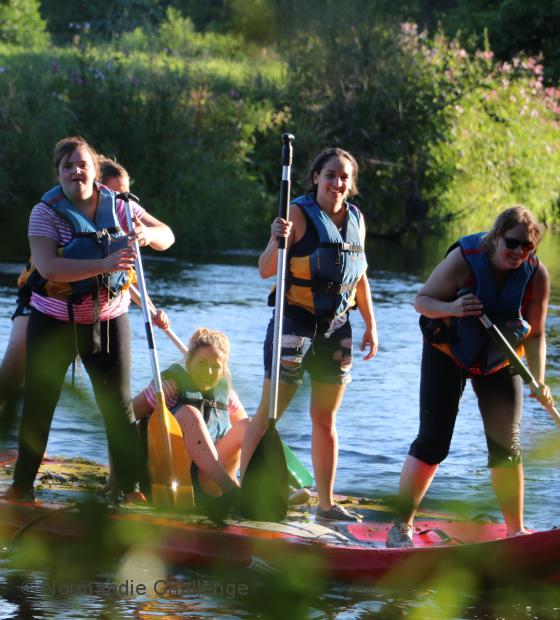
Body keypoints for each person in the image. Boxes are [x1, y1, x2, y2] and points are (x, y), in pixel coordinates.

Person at [3, 136, 174, 502]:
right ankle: (21, 490)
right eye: (67, 166)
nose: (75, 171)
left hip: (109, 320)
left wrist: (147, 234)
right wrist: (105, 263)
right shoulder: (44, 213)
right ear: (58, 173)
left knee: (119, 407)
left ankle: (129, 491)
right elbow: (48, 266)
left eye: (82, 164)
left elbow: (168, 236)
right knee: (39, 404)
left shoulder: (121, 206)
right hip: (53, 321)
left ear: (96, 171)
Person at [386, 206, 554, 548]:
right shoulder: (465, 259)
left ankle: (516, 532)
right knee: (434, 441)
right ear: (496, 237)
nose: (519, 252)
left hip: (499, 359)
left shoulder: (536, 275)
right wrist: (452, 309)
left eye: (528, 248)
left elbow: (535, 335)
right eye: (513, 243)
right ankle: (400, 527)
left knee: (507, 446)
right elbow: (422, 301)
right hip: (448, 351)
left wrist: (538, 378)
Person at [240, 147, 379, 522]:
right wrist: (275, 239)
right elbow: (265, 270)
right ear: (315, 177)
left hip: (338, 327)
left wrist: (370, 323)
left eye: (344, 177)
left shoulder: (357, 219)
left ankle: (326, 504)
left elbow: (359, 273)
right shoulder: (296, 214)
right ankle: (243, 490)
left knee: (325, 418)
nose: (337, 183)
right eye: (330, 175)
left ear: (352, 185)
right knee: (270, 413)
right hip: (295, 323)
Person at [133, 328, 250, 505]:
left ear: (223, 370)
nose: (208, 372)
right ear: (189, 362)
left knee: (248, 425)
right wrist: (123, 480)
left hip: (208, 485)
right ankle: (232, 491)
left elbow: (251, 434)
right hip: (170, 481)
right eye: (202, 363)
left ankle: (253, 490)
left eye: (215, 366)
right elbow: (121, 419)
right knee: (190, 413)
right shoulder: (169, 387)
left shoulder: (227, 395)